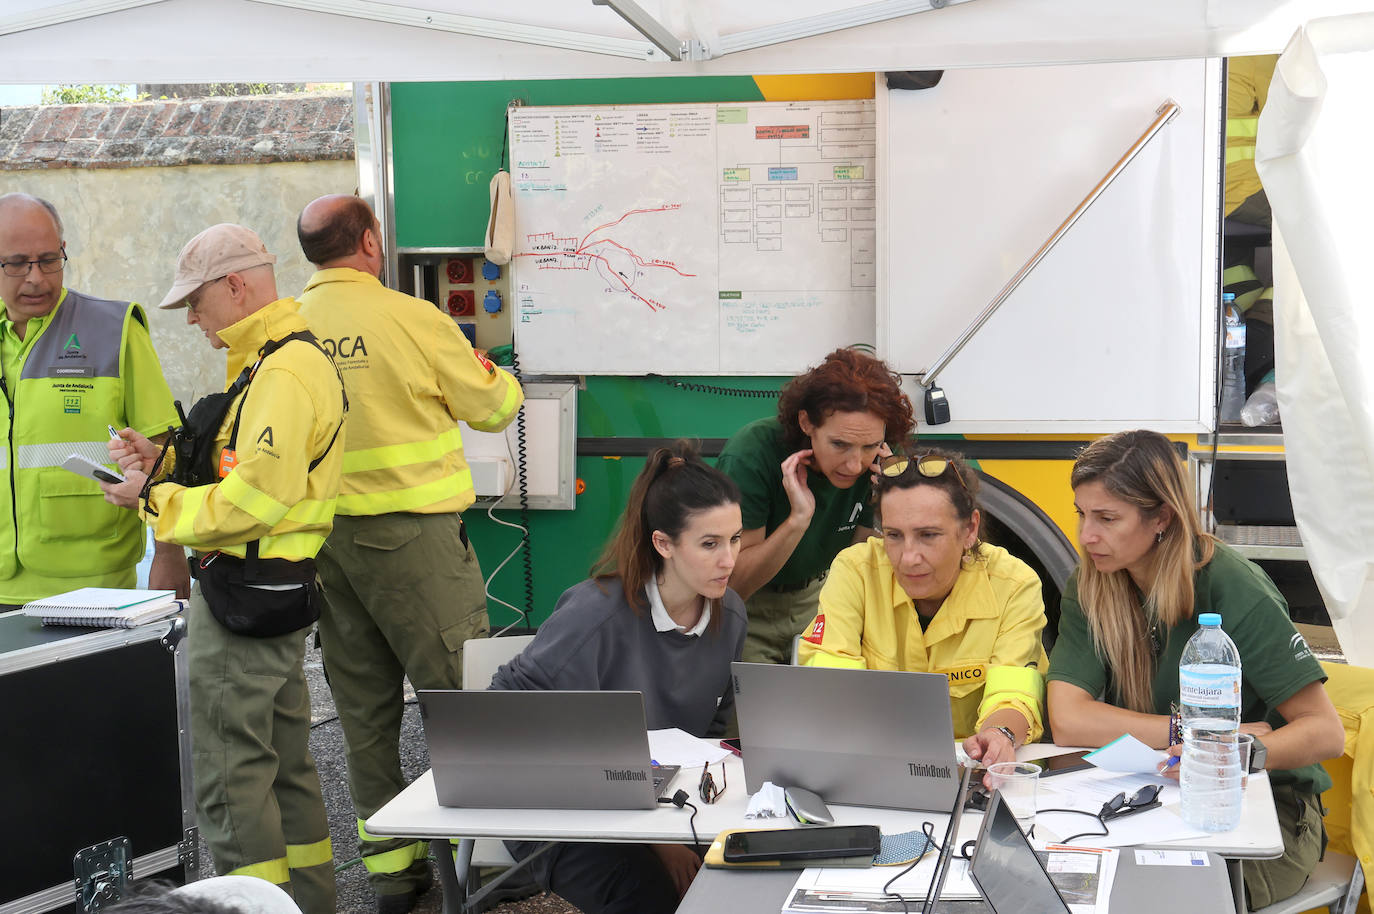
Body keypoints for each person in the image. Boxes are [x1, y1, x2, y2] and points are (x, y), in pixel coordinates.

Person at [100, 224, 346, 914]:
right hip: (271, 596)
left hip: (244, 601)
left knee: (232, 783)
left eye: (197, 304)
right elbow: (242, 470)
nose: (196, 323)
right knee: (287, 772)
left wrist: (154, 497)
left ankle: (247, 907)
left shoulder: (283, 372)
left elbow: (253, 501)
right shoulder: (267, 365)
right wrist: (165, 462)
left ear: (236, 286)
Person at [293, 194, 525, 913]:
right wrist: (496, 371)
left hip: (322, 545)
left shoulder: (285, 326)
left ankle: (394, 875)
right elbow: (493, 407)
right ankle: (486, 864)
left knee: (362, 715)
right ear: (369, 242)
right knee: (462, 702)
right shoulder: (414, 317)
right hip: (413, 540)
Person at [1047, 430, 1344, 911]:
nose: (1086, 536)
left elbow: (1326, 734)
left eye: (1107, 518)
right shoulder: (1091, 583)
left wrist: (1232, 754)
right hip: (1152, 797)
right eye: (1082, 514)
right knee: (1062, 886)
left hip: (1265, 811)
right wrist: (1193, 735)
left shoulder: (1230, 583)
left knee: (1156, 900)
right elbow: (1068, 719)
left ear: (1161, 517)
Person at [490, 441, 747, 914]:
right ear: (663, 544)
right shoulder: (595, 615)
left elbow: (709, 734)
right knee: (651, 898)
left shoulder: (730, 614)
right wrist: (657, 841)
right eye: (710, 544)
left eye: (735, 538)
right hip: (558, 805)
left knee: (741, 887)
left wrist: (669, 831)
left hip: (662, 804)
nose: (729, 559)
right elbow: (501, 716)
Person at [797, 448, 1048, 767]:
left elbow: (1014, 689)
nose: (908, 557)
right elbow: (832, 681)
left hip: (972, 770)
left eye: (928, 535)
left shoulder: (1014, 584)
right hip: (872, 763)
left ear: (970, 529)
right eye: (894, 535)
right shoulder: (855, 570)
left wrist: (997, 735)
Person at [0, 192, 186, 608]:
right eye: (16, 263)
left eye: (49, 259)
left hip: (93, 583)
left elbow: (165, 453)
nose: (36, 277)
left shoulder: (116, 330)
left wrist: (171, 557)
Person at [716, 347, 915, 664]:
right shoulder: (753, 452)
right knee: (754, 712)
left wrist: (887, 506)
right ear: (807, 422)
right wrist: (798, 520)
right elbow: (735, 584)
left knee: (828, 710)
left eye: (869, 446)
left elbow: (860, 561)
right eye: (839, 444)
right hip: (750, 608)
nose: (854, 464)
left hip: (823, 597)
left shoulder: (881, 459)